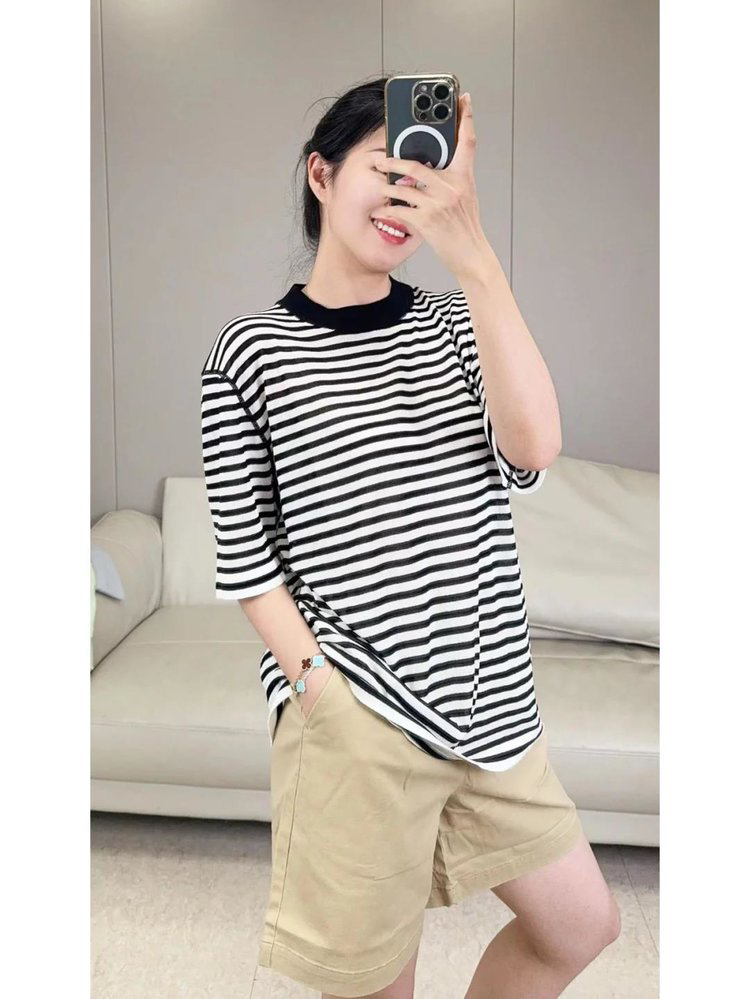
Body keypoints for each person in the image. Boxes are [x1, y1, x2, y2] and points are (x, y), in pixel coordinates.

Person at [200, 76, 620, 999]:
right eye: (383, 173)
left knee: (582, 923)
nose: (403, 200)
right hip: (356, 717)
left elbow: (535, 447)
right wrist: (320, 691)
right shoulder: (250, 352)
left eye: (422, 179)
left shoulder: (458, 322)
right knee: (377, 986)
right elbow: (246, 561)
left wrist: (477, 260)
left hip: (491, 705)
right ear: (321, 175)